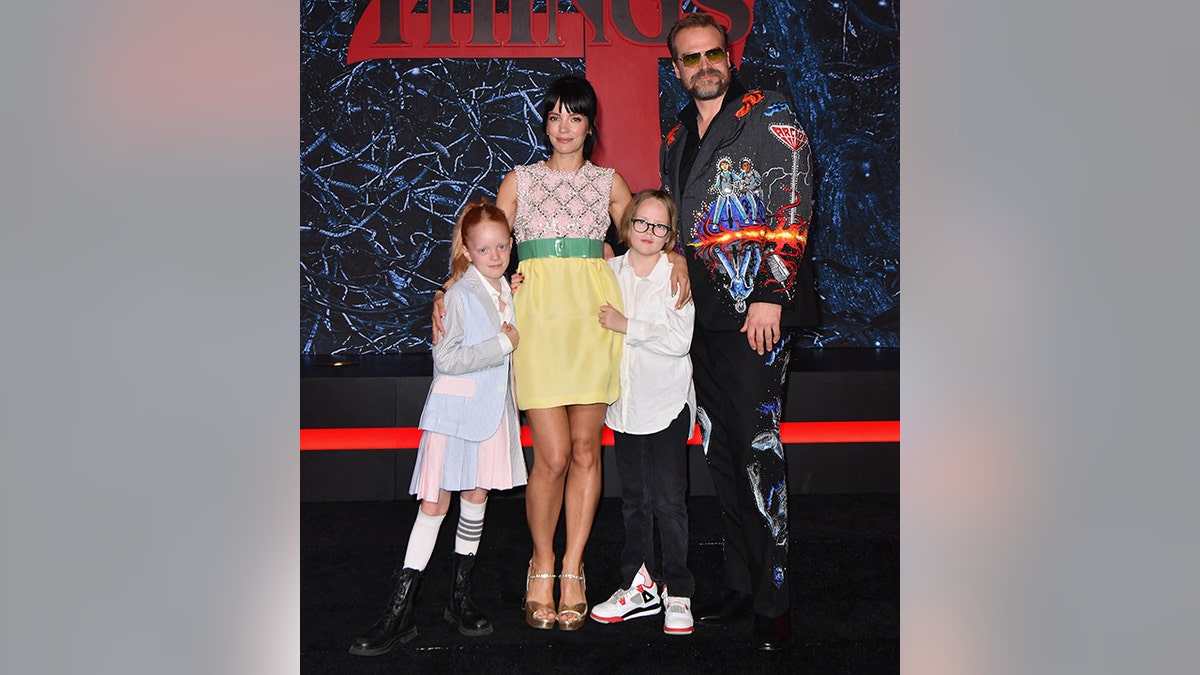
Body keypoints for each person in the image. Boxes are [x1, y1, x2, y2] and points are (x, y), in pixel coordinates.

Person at [430, 75, 690, 632]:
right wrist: (446, 289)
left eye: (575, 116)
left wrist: (680, 257)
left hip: (593, 322)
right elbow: (482, 249)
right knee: (549, 456)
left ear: (590, 125)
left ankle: (573, 568)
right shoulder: (519, 180)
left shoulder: (608, 182)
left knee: (585, 452)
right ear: (544, 123)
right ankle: (541, 562)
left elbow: (652, 224)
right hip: (539, 323)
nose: (564, 127)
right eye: (554, 116)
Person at [659, 12, 819, 651]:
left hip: (757, 312)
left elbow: (795, 200)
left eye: (712, 54)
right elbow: (681, 221)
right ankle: (740, 582)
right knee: (721, 451)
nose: (703, 66)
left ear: (730, 55)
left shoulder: (768, 112)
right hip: (701, 320)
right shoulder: (678, 137)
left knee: (760, 450)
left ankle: (775, 598)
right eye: (690, 58)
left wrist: (772, 293)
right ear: (677, 69)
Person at [350, 199, 527, 656]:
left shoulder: (505, 286)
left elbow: (507, 305)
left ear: (510, 246)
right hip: (454, 414)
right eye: (484, 249)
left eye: (501, 247)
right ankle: (400, 609)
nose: (494, 256)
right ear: (466, 250)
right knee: (434, 503)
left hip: (492, 413)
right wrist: (501, 345)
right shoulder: (458, 294)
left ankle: (459, 597)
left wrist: (515, 294)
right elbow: (446, 360)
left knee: (476, 497)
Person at [588, 190, 697, 635]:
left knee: (670, 501)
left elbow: (679, 341)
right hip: (624, 403)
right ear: (627, 224)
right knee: (634, 500)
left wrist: (627, 325)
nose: (649, 233)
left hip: (667, 401)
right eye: (641, 223)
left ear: (671, 235)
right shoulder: (608, 272)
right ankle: (640, 584)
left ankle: (679, 591)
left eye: (659, 226)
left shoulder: (675, 275)